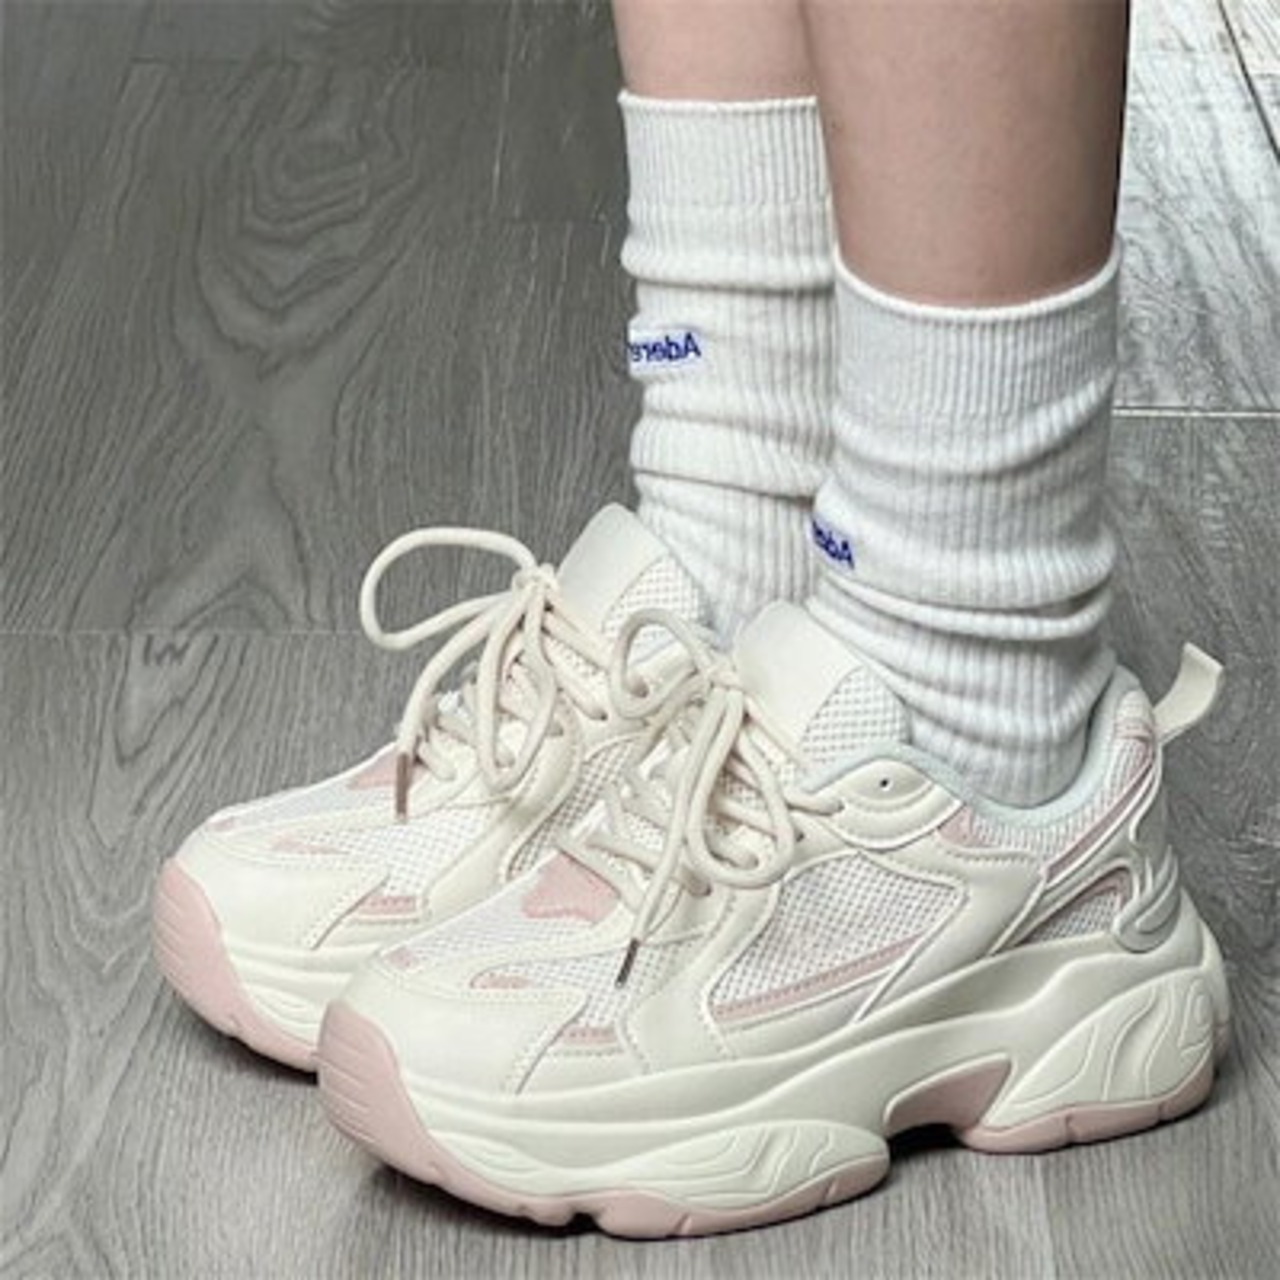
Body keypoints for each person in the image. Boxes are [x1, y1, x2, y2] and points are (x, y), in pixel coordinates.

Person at [155, 0, 1229, 1237]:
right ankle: (744, 549)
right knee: (739, 460)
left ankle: (974, 695)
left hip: (972, 757)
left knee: (941, 616)